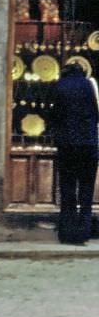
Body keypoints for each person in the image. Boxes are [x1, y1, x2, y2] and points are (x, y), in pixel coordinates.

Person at [50, 62, 99, 245]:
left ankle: (67, 233)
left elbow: (54, 114)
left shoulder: (60, 85)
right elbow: (95, 113)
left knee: (68, 190)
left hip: (68, 146)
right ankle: (83, 232)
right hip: (88, 146)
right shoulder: (88, 85)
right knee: (86, 192)